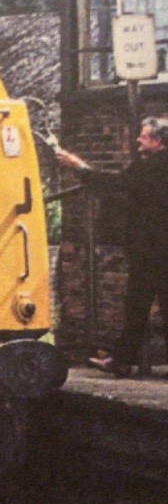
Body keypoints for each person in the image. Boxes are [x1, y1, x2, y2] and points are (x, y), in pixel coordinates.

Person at [55, 116, 168, 376]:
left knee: (137, 308)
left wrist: (79, 167)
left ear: (157, 141)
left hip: (150, 252)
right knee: (145, 306)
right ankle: (121, 360)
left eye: (143, 136)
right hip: (156, 249)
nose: (138, 140)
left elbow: (113, 182)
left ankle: (122, 361)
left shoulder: (148, 170)